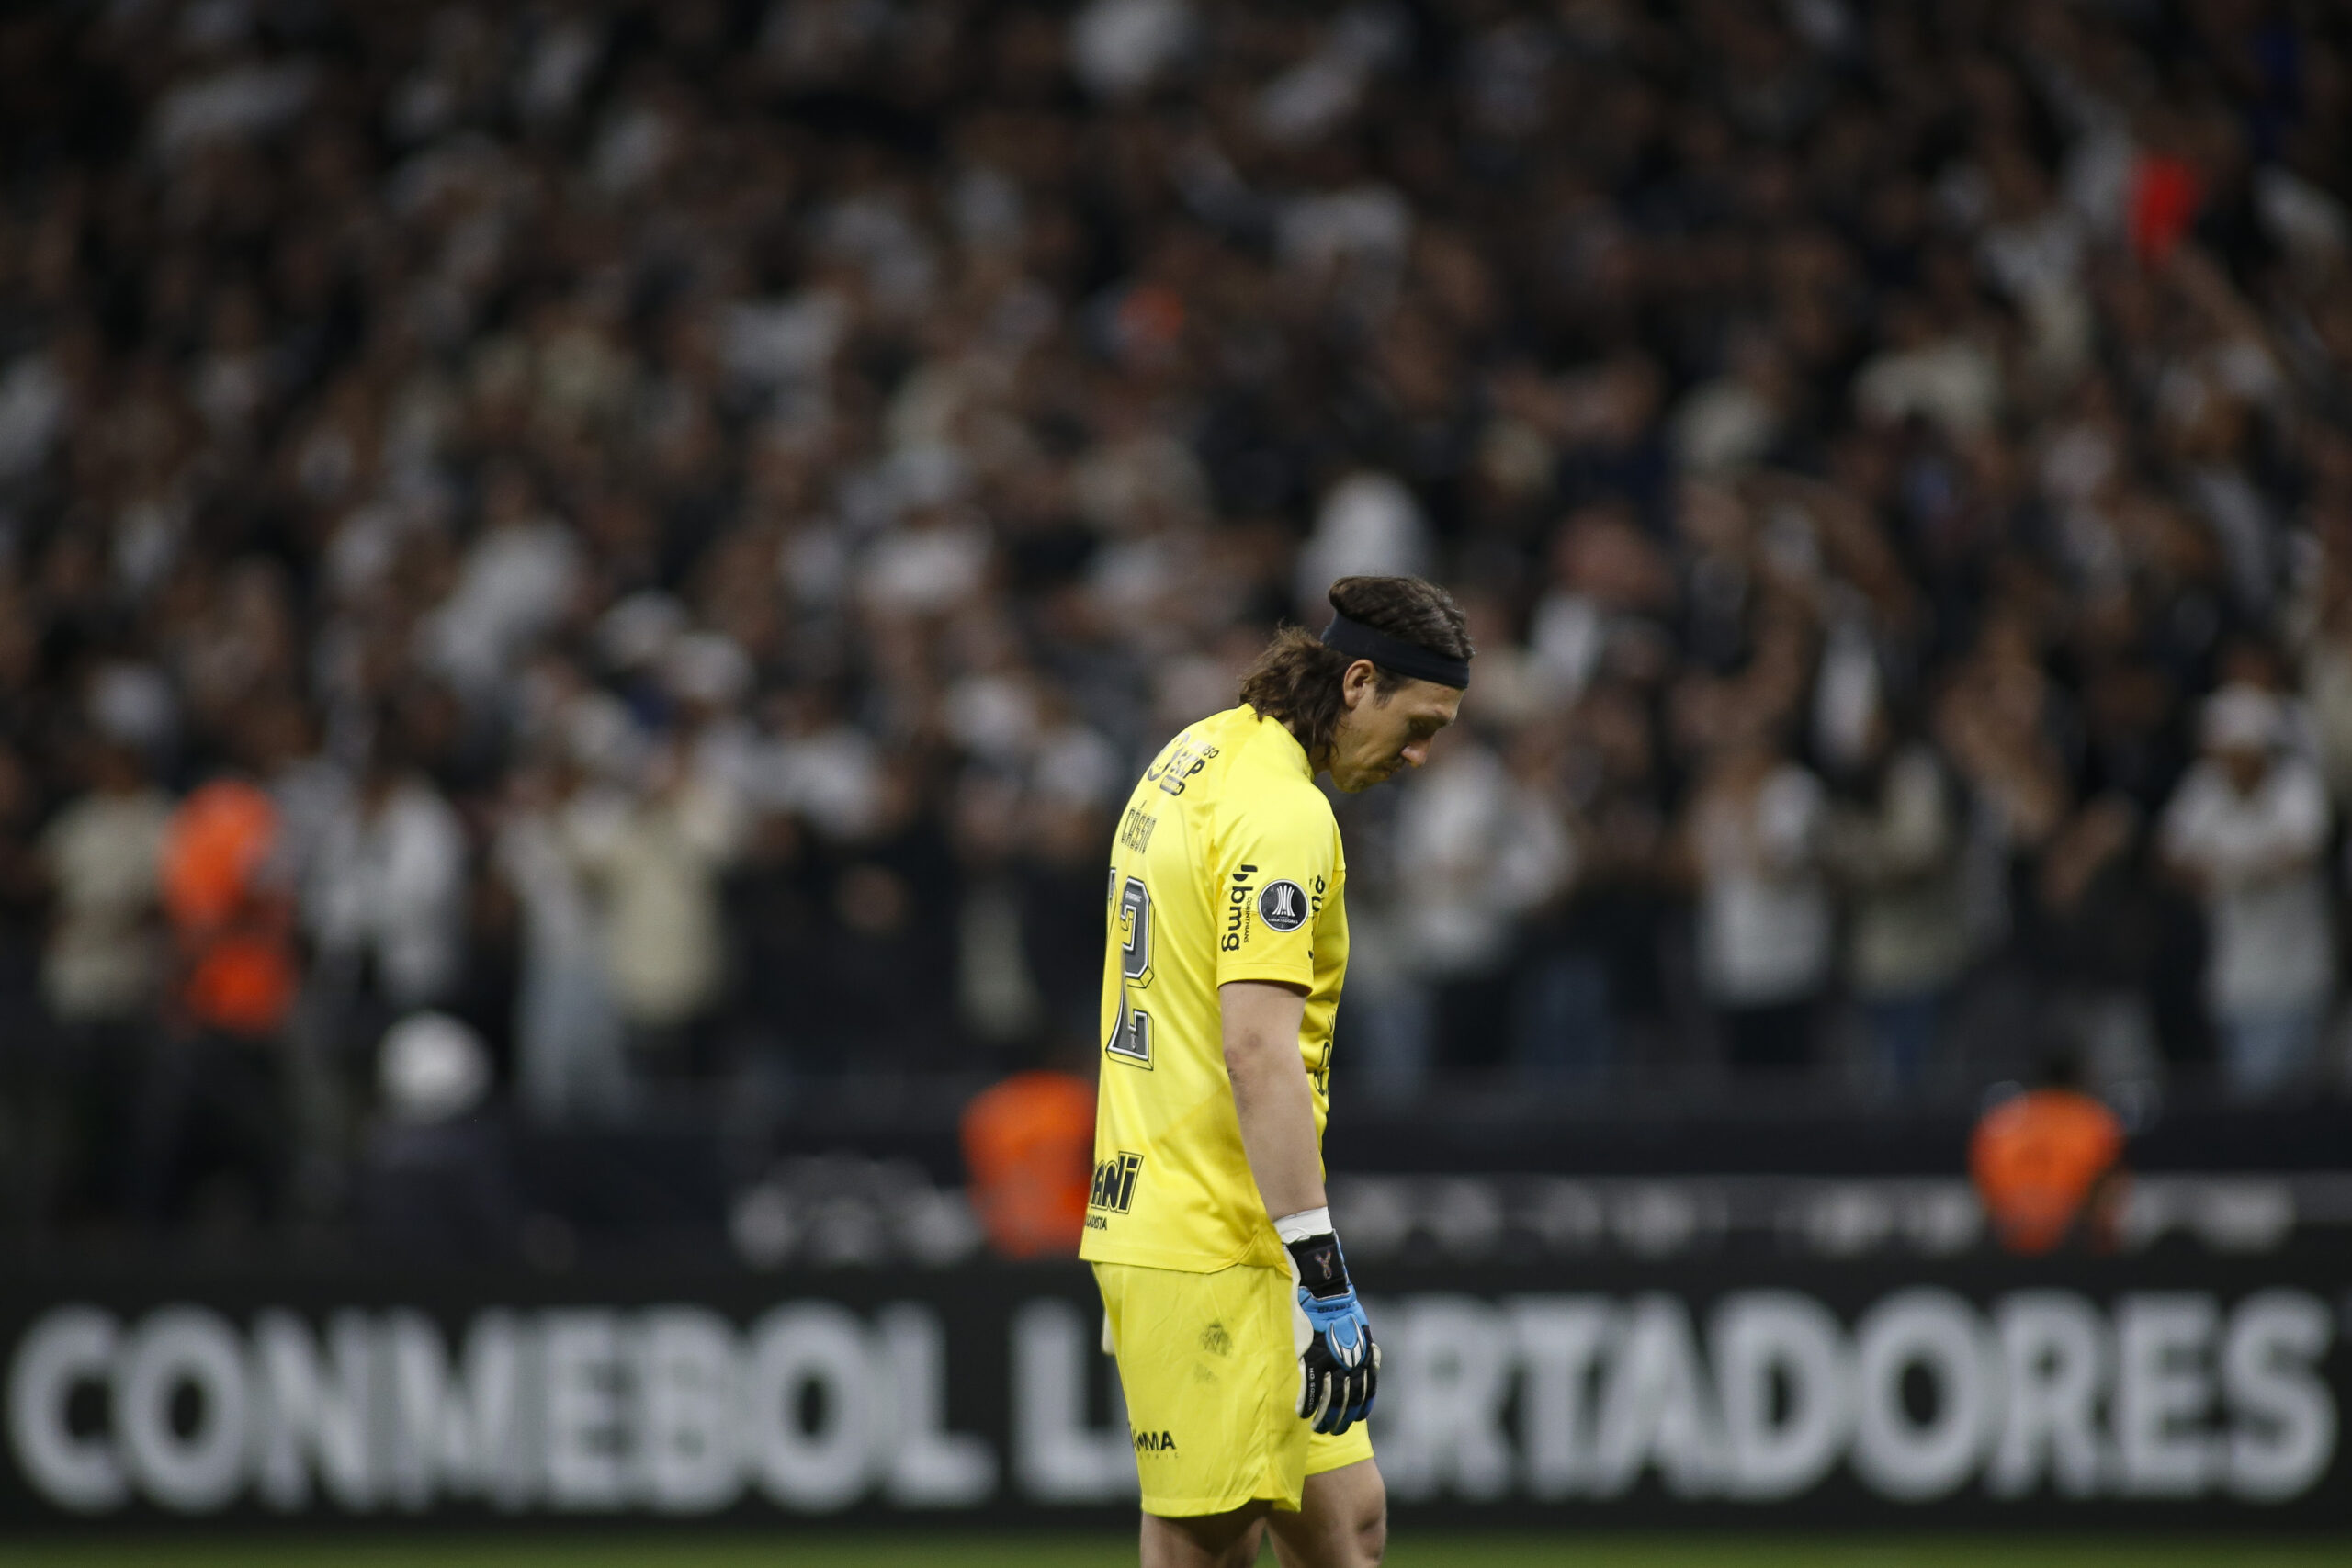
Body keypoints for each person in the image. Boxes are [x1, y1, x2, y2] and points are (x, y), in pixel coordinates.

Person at [1083, 576, 1469, 1568]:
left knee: (1350, 1528)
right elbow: (1257, 1053)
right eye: (1417, 723)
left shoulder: (1195, 753)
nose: (1421, 755)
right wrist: (1324, 1276)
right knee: (1208, 1544)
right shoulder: (1284, 817)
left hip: (1193, 1215)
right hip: (1214, 1233)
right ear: (1356, 682)